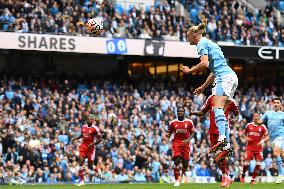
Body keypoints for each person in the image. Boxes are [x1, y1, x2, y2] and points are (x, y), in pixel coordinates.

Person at [181, 16, 238, 154]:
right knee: (220, 108)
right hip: (230, 77)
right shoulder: (209, 43)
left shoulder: (201, 44)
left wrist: (190, 70)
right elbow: (213, 71)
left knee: (217, 107)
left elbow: (205, 63)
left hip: (224, 78)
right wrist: (203, 87)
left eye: (188, 36)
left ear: (194, 35)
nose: (187, 38)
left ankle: (223, 140)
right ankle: (225, 143)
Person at [190, 95, 239, 187]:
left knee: (219, 155)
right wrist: (193, 113)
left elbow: (237, 114)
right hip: (212, 131)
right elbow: (202, 112)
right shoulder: (211, 98)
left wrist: (234, 120)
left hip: (223, 132)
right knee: (217, 157)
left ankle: (224, 176)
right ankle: (227, 176)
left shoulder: (230, 101)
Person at [167, 107, 195, 187]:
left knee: (185, 164)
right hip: (176, 144)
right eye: (179, 111)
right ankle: (176, 180)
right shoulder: (173, 123)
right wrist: (167, 135)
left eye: (181, 111)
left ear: (184, 112)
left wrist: (188, 140)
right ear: (177, 112)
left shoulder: (189, 122)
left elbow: (193, 133)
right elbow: (169, 132)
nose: (180, 112)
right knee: (176, 161)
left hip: (186, 145)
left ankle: (182, 173)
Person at [72, 114, 102, 186]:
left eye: (91, 119)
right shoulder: (84, 127)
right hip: (83, 146)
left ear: (93, 121)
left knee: (90, 166)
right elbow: (82, 135)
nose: (90, 120)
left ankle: (98, 170)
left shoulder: (95, 128)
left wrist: (92, 144)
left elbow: (100, 139)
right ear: (87, 120)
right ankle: (82, 180)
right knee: (81, 161)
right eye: (89, 119)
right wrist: (76, 138)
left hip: (90, 148)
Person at [261, 97, 284, 184]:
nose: (276, 104)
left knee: (275, 153)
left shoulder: (283, 114)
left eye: (278, 102)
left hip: (280, 137)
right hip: (272, 139)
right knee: (282, 156)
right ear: (272, 104)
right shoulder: (268, 113)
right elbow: (260, 121)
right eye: (274, 102)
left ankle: (281, 175)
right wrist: (258, 122)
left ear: (280, 104)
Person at [240, 112, 268, 184]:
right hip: (250, 147)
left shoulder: (263, 127)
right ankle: (243, 175)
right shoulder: (249, 125)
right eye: (255, 116)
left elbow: (267, 136)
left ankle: (252, 179)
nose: (256, 117)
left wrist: (262, 141)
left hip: (258, 148)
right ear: (253, 118)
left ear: (259, 118)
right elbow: (243, 134)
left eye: (257, 116)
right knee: (246, 164)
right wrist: (245, 138)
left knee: (258, 164)